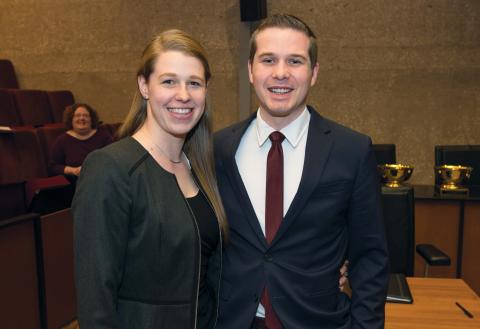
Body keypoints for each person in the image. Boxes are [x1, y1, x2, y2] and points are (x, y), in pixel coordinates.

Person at [214, 14, 389, 329]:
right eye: (268, 60)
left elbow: (370, 257)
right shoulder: (217, 149)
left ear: (314, 73)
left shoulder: (352, 150)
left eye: (295, 61)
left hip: (318, 320)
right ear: (251, 70)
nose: (281, 73)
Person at [73, 29, 228, 329]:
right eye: (169, 81)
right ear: (144, 85)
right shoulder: (110, 169)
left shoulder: (201, 169)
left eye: (194, 83)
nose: (183, 95)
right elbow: (96, 305)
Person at [50, 103, 113, 179]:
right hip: (75, 182)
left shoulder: (103, 136)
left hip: (102, 179)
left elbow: (113, 159)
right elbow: (53, 167)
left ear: (91, 119)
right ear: (71, 119)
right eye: (77, 115)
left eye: (86, 116)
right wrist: (73, 170)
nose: (82, 118)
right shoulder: (62, 140)